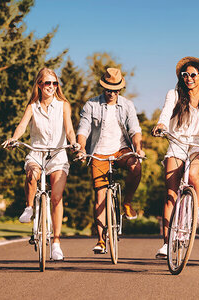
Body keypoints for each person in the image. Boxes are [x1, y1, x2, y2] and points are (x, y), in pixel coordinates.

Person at [2, 67, 79, 260]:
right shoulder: (32, 106)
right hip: (36, 152)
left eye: (54, 83)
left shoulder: (63, 105)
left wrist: (73, 142)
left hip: (58, 155)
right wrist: (14, 138)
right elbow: (22, 126)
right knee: (31, 174)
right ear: (39, 84)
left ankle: (56, 244)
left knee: (56, 197)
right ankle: (29, 208)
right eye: (47, 83)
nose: (51, 87)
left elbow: (69, 129)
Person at [152, 57, 199, 259]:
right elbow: (166, 113)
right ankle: (167, 244)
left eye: (193, 74)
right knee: (170, 195)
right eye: (185, 75)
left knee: (193, 174)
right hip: (177, 143)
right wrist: (161, 125)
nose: (189, 78)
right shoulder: (174, 94)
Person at [76, 67, 145, 254]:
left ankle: (127, 203)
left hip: (121, 149)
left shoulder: (127, 105)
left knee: (135, 167)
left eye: (115, 90)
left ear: (120, 89)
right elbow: (83, 130)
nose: (112, 93)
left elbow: (135, 130)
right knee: (100, 195)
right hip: (99, 152)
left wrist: (138, 148)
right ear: (103, 88)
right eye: (109, 90)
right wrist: (82, 148)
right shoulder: (91, 105)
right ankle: (101, 240)